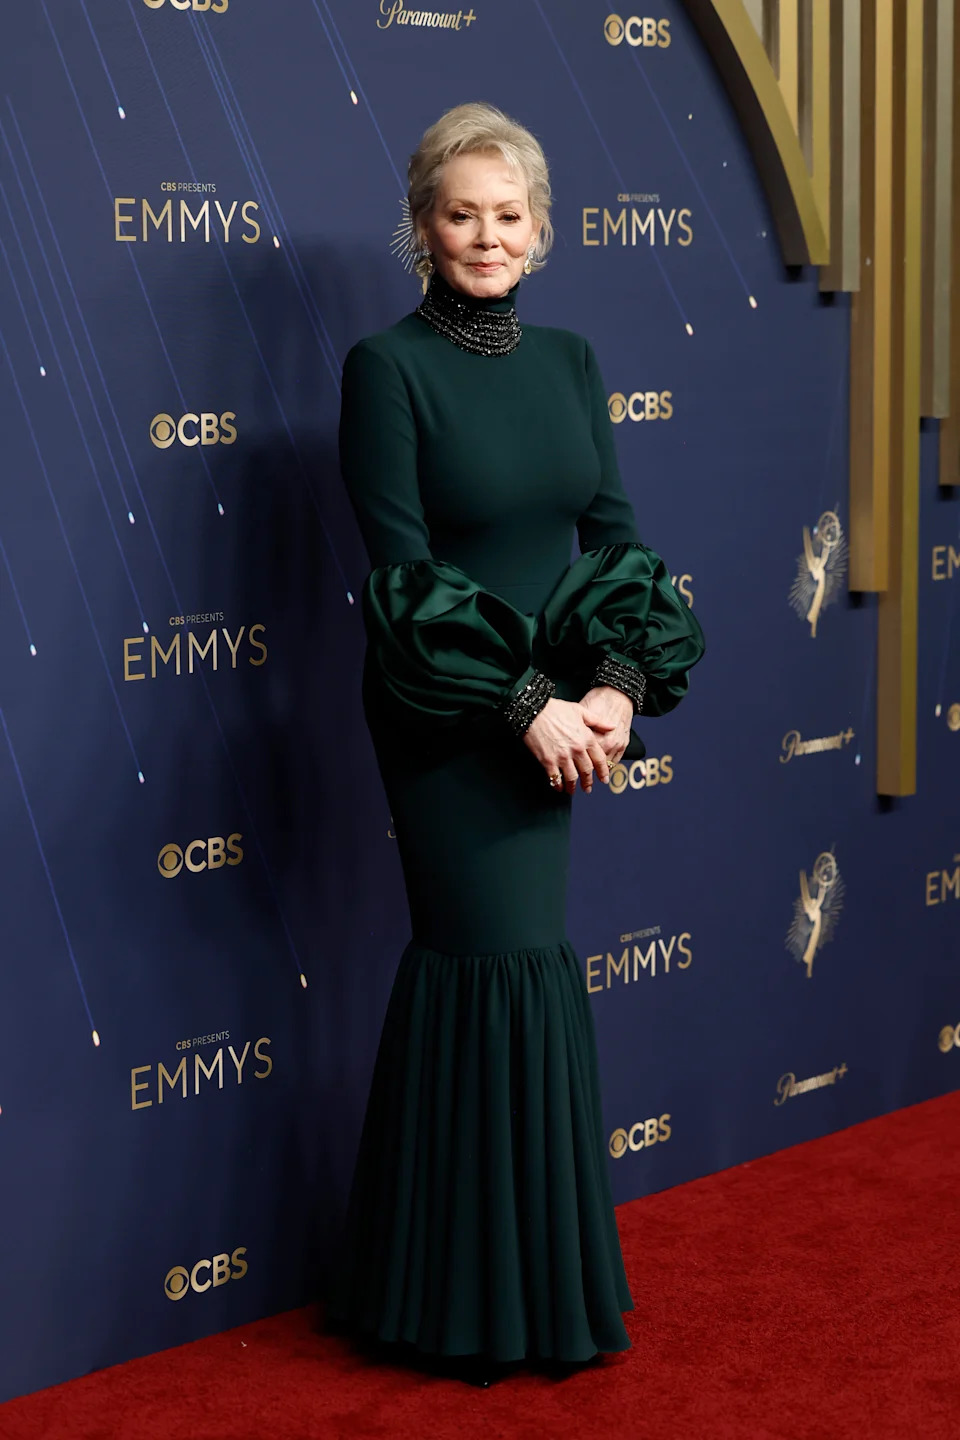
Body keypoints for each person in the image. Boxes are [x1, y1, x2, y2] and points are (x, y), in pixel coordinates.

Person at [327, 102, 704, 1382]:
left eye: (508, 215)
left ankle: (491, 1287)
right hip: (450, 714)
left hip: (565, 714)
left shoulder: (573, 360)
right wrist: (524, 704)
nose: (485, 236)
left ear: (540, 233)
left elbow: (614, 534)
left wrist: (614, 688)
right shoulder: (387, 369)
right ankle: (457, 1304)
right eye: (459, 213)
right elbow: (401, 578)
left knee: (530, 964)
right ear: (422, 227)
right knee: (488, 960)